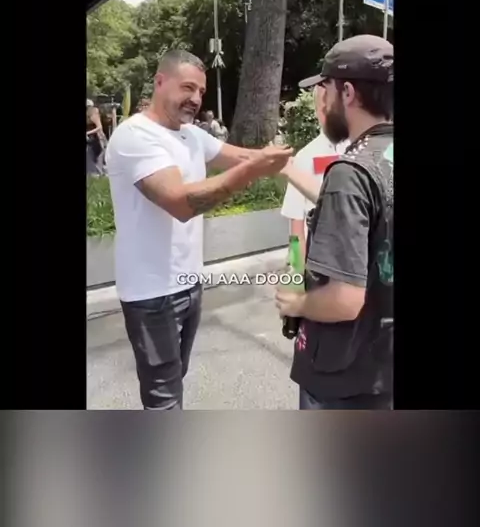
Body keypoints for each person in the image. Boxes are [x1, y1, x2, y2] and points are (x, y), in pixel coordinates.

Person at [105, 50, 292, 410]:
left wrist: (289, 159)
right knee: (163, 397)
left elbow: (243, 156)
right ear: (160, 82)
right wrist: (252, 171)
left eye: (201, 92)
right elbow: (181, 203)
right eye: (187, 87)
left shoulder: (191, 135)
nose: (195, 98)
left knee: (175, 380)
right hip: (151, 293)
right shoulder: (135, 136)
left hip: (189, 283)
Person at [275, 35, 394, 410]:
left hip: (348, 375)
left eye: (324, 88)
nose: (321, 101)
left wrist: (297, 303)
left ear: (347, 92)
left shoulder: (350, 173)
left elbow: (344, 300)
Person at [281, 85, 348, 259]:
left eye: (334, 108)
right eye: (323, 109)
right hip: (320, 260)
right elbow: (296, 225)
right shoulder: (305, 157)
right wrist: (296, 267)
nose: (328, 115)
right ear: (317, 110)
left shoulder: (361, 148)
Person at [86, 99, 106, 176]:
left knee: (97, 160)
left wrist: (87, 133)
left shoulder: (93, 113)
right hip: (92, 139)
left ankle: (98, 175)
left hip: (97, 139)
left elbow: (99, 127)